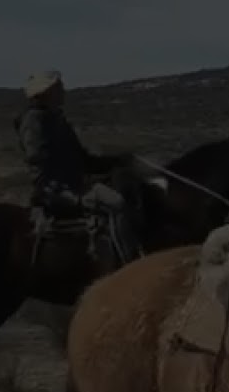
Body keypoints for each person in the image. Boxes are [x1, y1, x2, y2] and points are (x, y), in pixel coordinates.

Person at [15, 70, 140, 263]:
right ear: (46, 92)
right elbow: (39, 167)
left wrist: (117, 161)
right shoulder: (34, 122)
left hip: (73, 185)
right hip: (57, 191)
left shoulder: (56, 119)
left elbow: (83, 160)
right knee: (117, 204)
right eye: (59, 87)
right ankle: (128, 263)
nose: (64, 91)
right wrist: (65, 195)